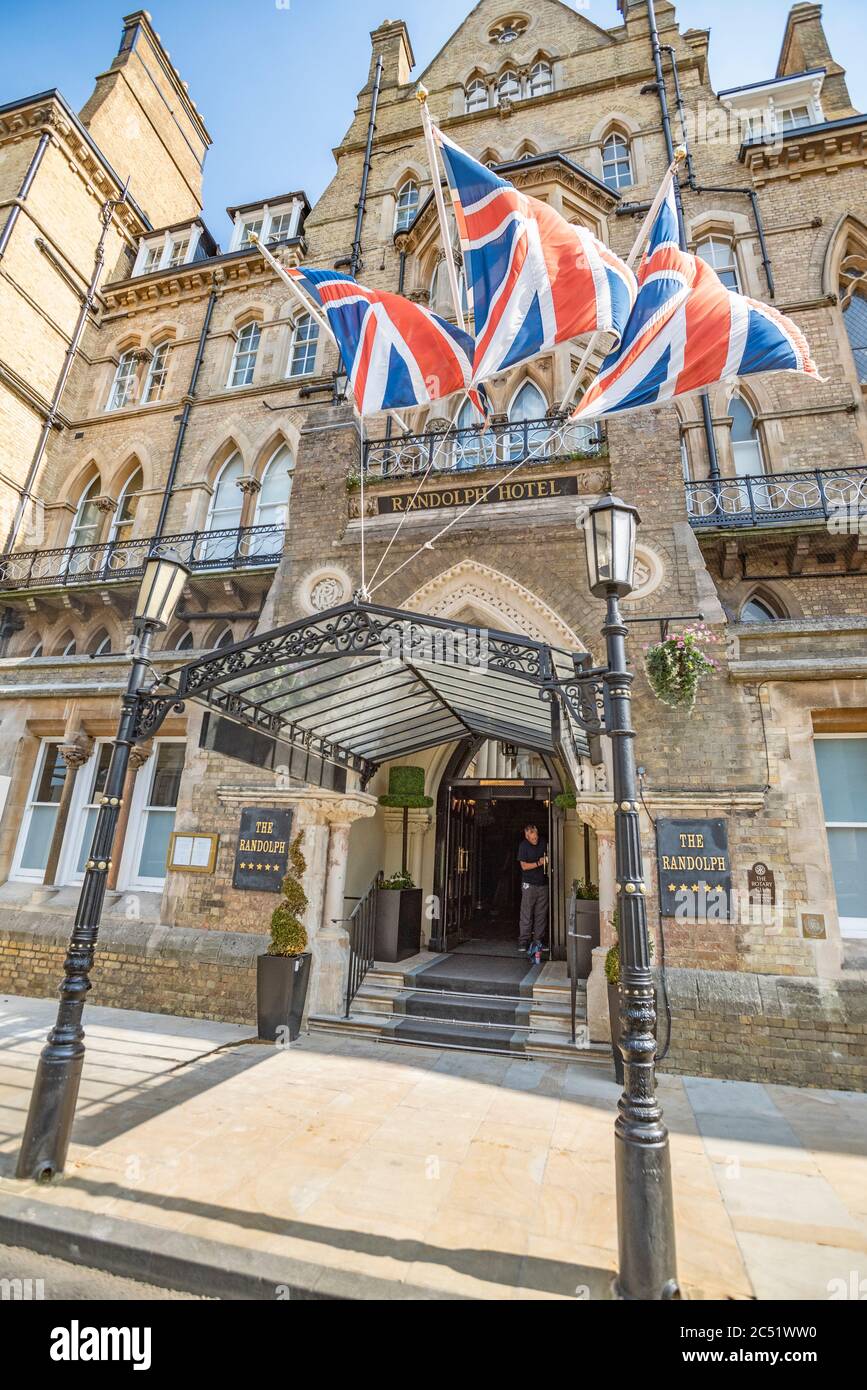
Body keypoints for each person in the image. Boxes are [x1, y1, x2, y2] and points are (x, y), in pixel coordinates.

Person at [517, 822, 548, 963]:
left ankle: (538, 941)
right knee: (526, 913)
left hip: (542, 884)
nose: (535, 840)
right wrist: (539, 863)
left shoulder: (544, 842)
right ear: (527, 836)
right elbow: (523, 866)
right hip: (528, 884)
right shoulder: (523, 846)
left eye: (536, 837)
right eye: (532, 838)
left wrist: (546, 861)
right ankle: (523, 941)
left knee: (541, 914)